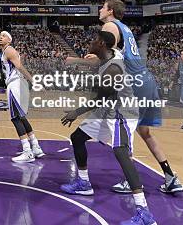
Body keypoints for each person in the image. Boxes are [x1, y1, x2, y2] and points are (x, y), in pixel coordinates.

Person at [67, 0, 183, 194]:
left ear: (110, 11)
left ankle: (132, 182)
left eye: (103, 7)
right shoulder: (125, 28)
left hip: (135, 84)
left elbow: (106, 57)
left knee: (123, 132)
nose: (100, 10)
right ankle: (170, 177)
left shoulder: (110, 25)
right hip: (147, 80)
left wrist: (77, 60)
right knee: (145, 133)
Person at [61, 31, 156, 225]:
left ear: (102, 44)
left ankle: (144, 213)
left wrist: (76, 112)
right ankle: (84, 183)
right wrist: (76, 61)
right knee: (77, 138)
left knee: (121, 152)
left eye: (95, 40)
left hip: (122, 112)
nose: (91, 42)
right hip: (109, 108)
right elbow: (97, 66)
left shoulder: (114, 68)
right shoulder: (108, 57)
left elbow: (102, 97)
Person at [0, 31, 44, 163]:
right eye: (0, 36)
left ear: (9, 40)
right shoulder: (6, 51)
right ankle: (36, 147)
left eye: (4, 36)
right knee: (21, 117)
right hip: (18, 84)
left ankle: (27, 151)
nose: (0, 37)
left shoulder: (9, 50)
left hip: (15, 84)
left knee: (15, 118)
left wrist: (33, 81)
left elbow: (20, 67)